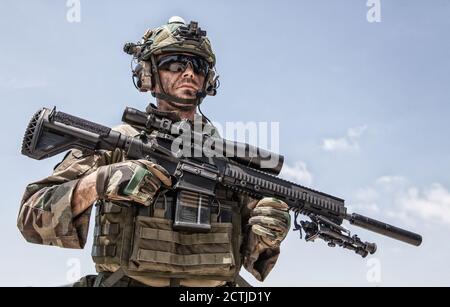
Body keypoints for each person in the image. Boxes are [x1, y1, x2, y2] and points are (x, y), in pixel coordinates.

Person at [17, 16, 291, 287]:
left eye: (198, 66)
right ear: (148, 74)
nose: (189, 73)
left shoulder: (228, 161)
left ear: (208, 80)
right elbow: (30, 217)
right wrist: (99, 182)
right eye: (175, 63)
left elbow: (253, 258)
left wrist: (268, 232)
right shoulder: (118, 143)